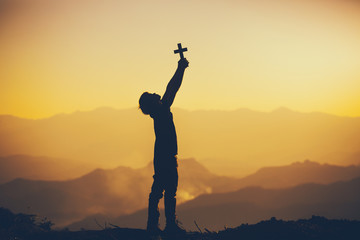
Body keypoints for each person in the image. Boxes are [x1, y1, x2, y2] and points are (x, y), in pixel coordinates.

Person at [139, 57, 189, 235]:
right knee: (167, 191)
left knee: (159, 190)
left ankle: (154, 225)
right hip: (166, 156)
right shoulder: (161, 110)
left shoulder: (158, 111)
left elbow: (170, 89)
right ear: (152, 103)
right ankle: (167, 226)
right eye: (153, 95)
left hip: (162, 155)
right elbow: (172, 88)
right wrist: (181, 68)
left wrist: (180, 69)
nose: (156, 94)